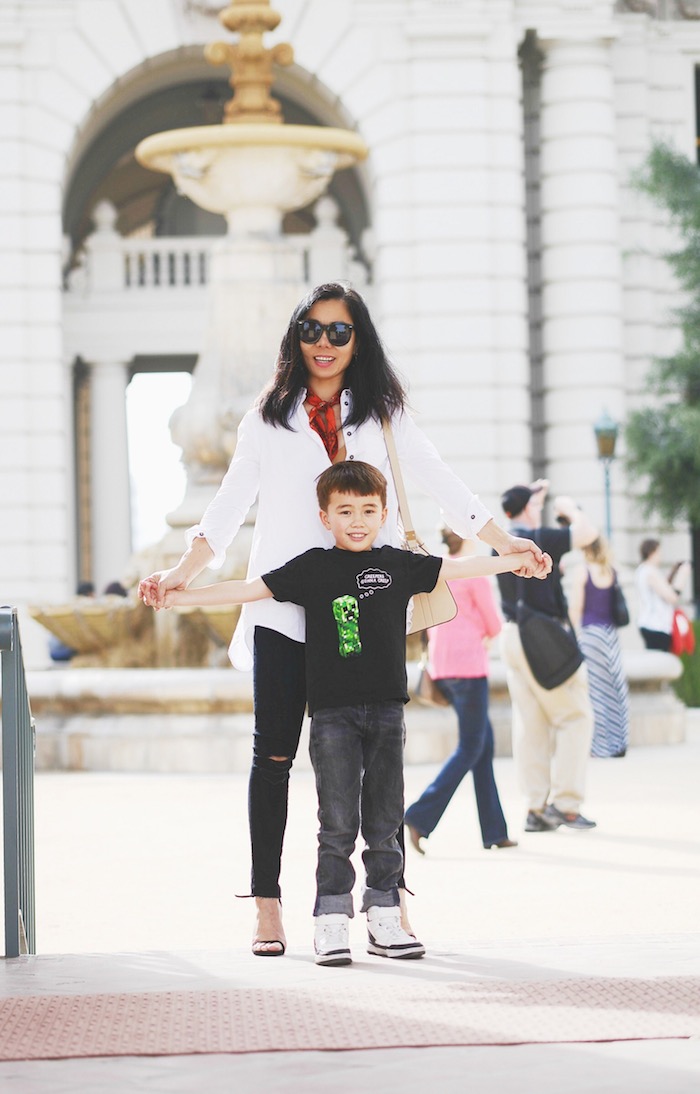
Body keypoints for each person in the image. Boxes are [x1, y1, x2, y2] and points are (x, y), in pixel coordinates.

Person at [138, 281, 551, 957]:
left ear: (359, 339)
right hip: (282, 612)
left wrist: (504, 544)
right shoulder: (265, 419)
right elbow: (228, 504)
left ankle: (390, 903)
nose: (324, 344)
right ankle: (267, 906)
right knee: (272, 758)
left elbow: (440, 479)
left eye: (340, 331)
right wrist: (186, 573)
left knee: (379, 763)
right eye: (312, 329)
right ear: (294, 337)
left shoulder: (383, 413)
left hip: (364, 614)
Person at [159, 462, 536, 965]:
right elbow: (249, 591)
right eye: (345, 511)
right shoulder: (313, 567)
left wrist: (513, 559)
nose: (357, 520)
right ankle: (331, 920)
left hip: (387, 714)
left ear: (383, 514)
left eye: (367, 510)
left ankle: (384, 916)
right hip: (332, 719)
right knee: (336, 823)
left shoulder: (399, 564)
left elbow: (457, 569)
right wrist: (180, 594)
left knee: (384, 822)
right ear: (325, 516)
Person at [404, 528, 517, 854]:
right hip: (468, 667)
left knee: (483, 743)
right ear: (467, 538)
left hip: (443, 668)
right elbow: (494, 625)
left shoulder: (439, 570)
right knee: (471, 746)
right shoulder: (473, 572)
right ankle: (419, 816)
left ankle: (495, 831)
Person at [496, 480, 599, 832]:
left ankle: (535, 808)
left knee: (531, 724)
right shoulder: (539, 536)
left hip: (511, 636)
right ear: (528, 508)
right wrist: (570, 508)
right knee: (576, 717)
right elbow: (588, 533)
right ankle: (566, 806)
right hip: (544, 638)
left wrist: (532, 499)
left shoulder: (500, 543)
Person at [569, 538, 630, 758]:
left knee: (595, 690)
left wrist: (571, 636)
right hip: (610, 636)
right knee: (614, 686)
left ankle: (600, 746)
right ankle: (619, 742)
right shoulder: (611, 571)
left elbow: (577, 607)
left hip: (591, 635)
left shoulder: (582, 571)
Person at [635, 539, 690, 652]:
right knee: (658, 664)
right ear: (652, 553)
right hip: (656, 625)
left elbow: (663, 589)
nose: (661, 556)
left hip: (650, 624)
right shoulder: (650, 571)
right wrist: (683, 575)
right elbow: (672, 597)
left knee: (655, 663)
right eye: (659, 552)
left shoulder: (642, 570)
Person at [48, 581, 95, 662]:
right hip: (62, 651)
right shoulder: (84, 607)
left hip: (54, 651)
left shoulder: (69, 605)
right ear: (90, 593)